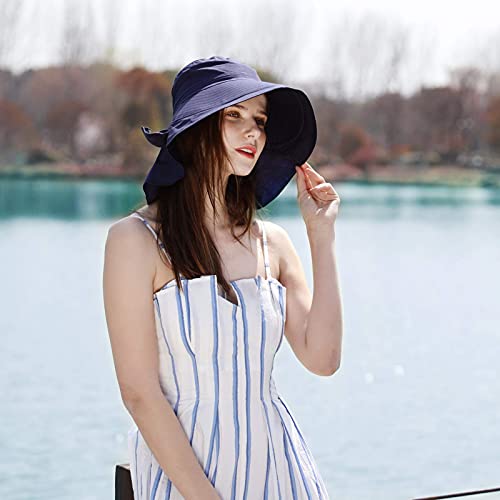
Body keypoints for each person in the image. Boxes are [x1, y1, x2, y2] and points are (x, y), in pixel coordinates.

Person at [103, 56, 342, 500]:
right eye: (235, 115)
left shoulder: (272, 243)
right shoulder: (135, 241)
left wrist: (321, 235)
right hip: (186, 481)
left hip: (280, 471)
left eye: (260, 121)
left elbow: (323, 359)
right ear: (196, 127)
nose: (254, 132)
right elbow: (139, 393)